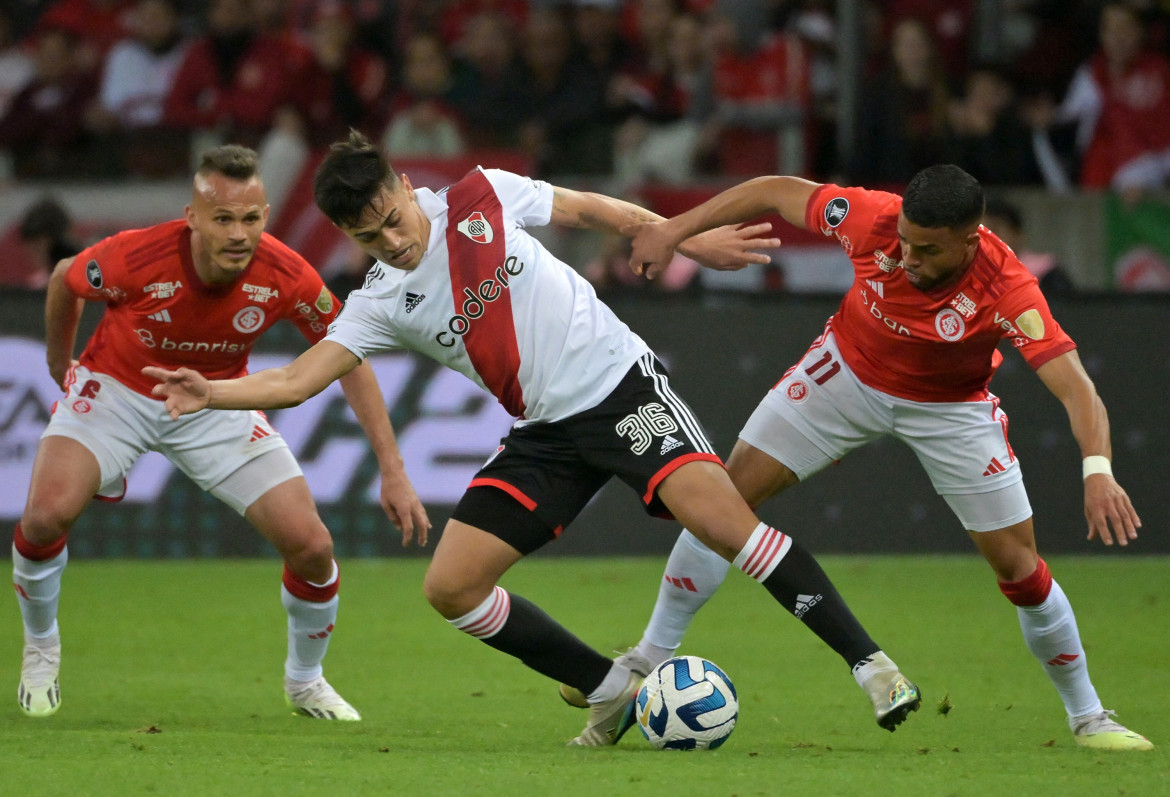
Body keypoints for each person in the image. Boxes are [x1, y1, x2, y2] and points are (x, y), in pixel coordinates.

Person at [149, 130, 923, 747]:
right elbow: (296, 380)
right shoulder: (380, 299)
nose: (391, 240)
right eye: (368, 235)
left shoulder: (481, 194)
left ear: (403, 188)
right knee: (450, 586)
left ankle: (873, 666)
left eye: (392, 218)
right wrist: (211, 390)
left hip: (621, 389)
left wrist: (684, 239)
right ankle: (612, 690)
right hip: (545, 435)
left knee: (725, 525)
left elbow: (593, 210)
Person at [621, 164, 1153, 752]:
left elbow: (1077, 387)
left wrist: (1098, 471)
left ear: (969, 241)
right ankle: (647, 659)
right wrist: (673, 230)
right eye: (905, 241)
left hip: (950, 410)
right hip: (843, 376)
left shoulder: (1008, 288)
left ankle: (1088, 717)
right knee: (721, 501)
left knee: (1018, 568)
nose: (909, 258)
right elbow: (772, 190)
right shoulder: (871, 218)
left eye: (927, 250)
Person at [13, 144, 429, 721]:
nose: (239, 234)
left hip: (216, 402)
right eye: (224, 219)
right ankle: (40, 648)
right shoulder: (138, 256)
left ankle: (305, 682)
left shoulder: (285, 274)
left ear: (265, 216)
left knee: (312, 547)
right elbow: (65, 278)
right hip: (116, 391)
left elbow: (349, 357)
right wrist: (62, 365)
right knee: (42, 518)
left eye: (252, 218)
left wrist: (393, 468)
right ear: (193, 218)